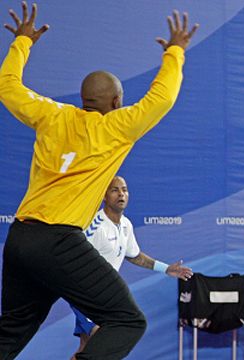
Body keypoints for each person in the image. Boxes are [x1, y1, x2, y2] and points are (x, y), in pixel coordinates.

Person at [0, 3, 198, 359]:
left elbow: (8, 87)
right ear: (118, 101)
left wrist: (22, 44)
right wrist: (175, 51)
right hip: (58, 239)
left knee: (11, 331)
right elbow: (162, 97)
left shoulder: (51, 115)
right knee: (127, 320)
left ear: (83, 99)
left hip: (20, 238)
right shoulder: (116, 126)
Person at [69, 176, 193, 357]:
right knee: (102, 341)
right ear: (104, 196)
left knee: (86, 347)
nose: (121, 194)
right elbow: (73, 258)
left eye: (124, 190)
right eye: (114, 190)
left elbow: (134, 256)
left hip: (105, 296)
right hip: (85, 294)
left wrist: (165, 268)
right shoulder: (95, 225)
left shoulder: (126, 225)